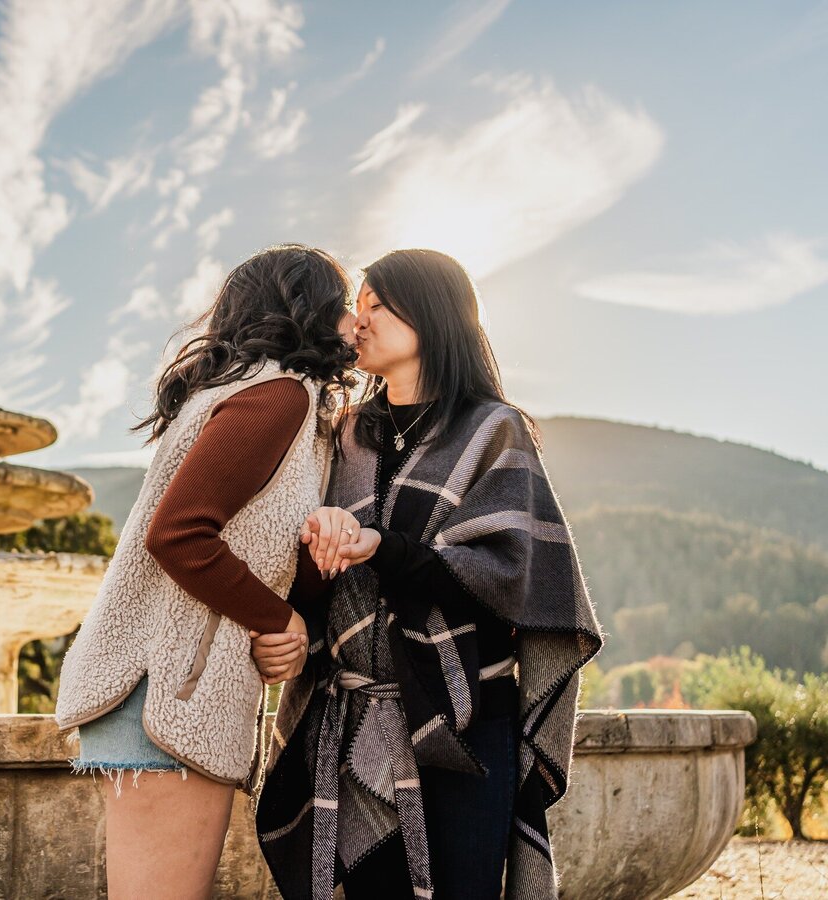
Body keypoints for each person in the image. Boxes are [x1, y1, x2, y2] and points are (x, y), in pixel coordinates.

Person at [251, 248, 603, 900]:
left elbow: (506, 577)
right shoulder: (347, 434)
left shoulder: (494, 431)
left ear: (432, 314)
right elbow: (314, 566)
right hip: (354, 721)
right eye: (356, 307)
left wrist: (380, 545)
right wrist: (312, 562)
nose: (359, 321)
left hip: (464, 726)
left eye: (376, 304)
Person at [54, 244, 355, 900]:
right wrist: (279, 621)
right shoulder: (278, 397)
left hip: (163, 693)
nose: (354, 318)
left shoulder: (263, 396)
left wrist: (302, 586)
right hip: (163, 698)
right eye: (346, 301)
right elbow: (179, 535)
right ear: (313, 308)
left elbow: (258, 543)